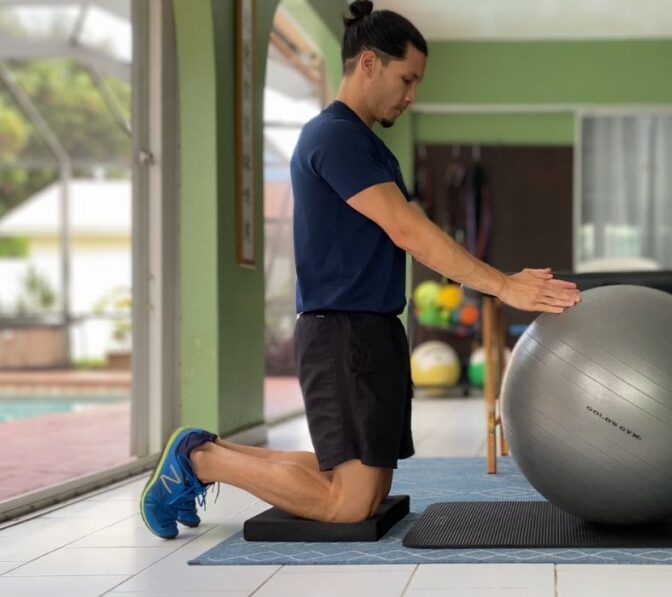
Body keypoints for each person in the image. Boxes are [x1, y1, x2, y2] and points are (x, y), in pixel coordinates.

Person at [140, 1, 579, 539]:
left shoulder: (366, 145)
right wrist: (504, 285)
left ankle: (206, 451)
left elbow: (411, 226)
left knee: (361, 493)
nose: (412, 94)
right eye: (407, 78)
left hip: (369, 329)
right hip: (342, 333)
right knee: (348, 505)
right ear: (369, 62)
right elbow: (408, 230)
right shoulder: (336, 137)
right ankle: (200, 462)